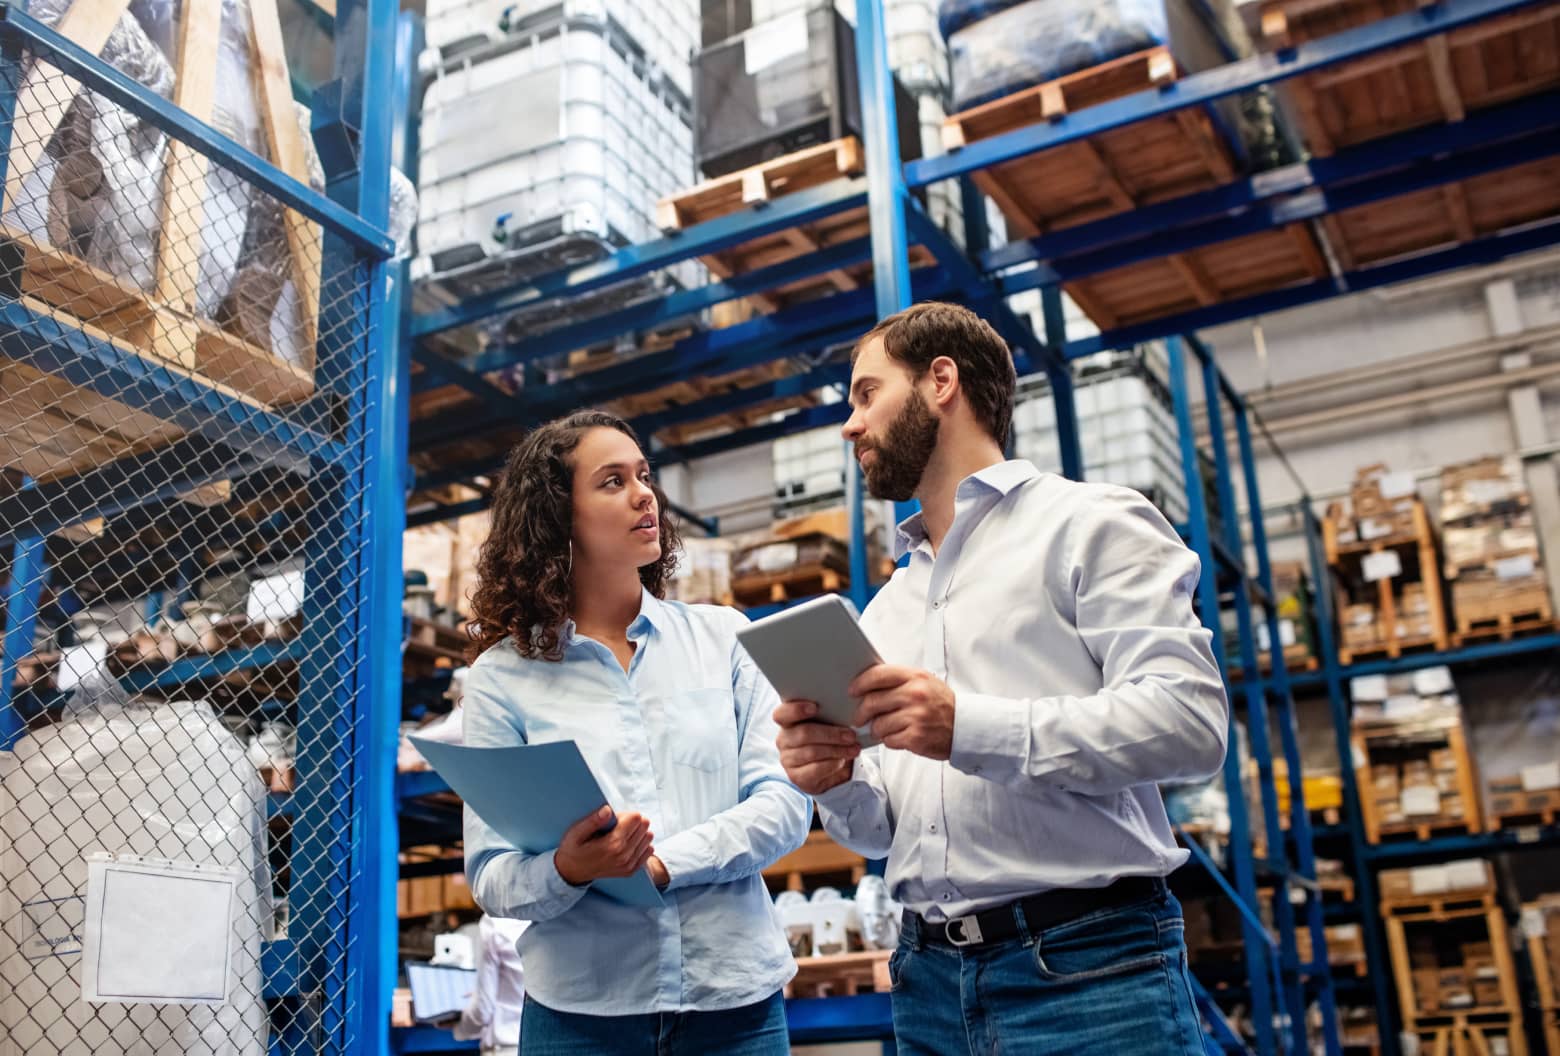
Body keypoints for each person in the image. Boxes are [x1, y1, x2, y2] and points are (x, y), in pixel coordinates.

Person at [773, 302, 1230, 1055]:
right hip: (928, 983)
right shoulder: (889, 608)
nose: (850, 427)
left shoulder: (1091, 525)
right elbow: (883, 828)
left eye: (865, 394)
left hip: (1091, 973)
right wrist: (836, 780)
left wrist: (967, 727)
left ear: (941, 381)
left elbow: (1190, 724)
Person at [461, 410, 810, 1056]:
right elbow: (491, 875)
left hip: (733, 1010)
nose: (644, 493)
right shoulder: (501, 679)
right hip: (581, 1019)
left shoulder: (724, 639)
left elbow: (785, 805)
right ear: (556, 516)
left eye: (643, 476)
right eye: (612, 481)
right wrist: (569, 867)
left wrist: (660, 865)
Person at [451, 914, 529, 1056]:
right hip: (540, 1044)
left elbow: (481, 1012)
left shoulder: (494, 922)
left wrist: (458, 1027)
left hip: (504, 1049)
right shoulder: (556, 918)